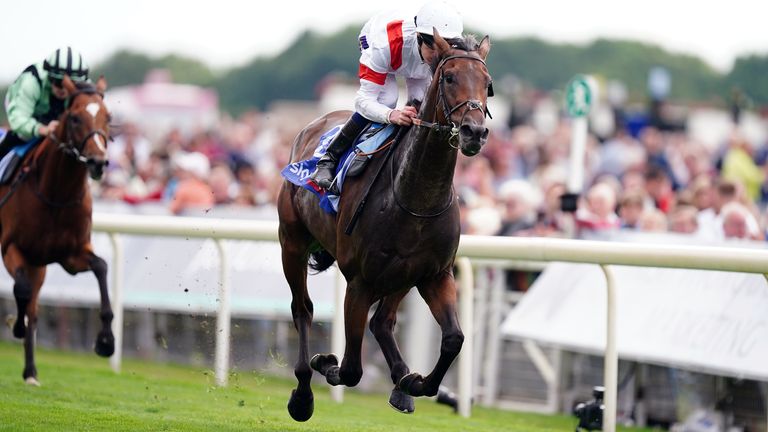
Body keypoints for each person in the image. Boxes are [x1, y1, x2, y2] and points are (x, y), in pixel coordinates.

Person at [309, 0, 465, 190]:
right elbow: (363, 101)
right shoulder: (384, 47)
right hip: (376, 39)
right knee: (387, 99)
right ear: (418, 38)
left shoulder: (448, 53)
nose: (436, 56)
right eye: (432, 48)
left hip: (409, 55)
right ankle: (329, 158)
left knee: (420, 102)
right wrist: (392, 115)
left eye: (443, 48)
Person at [0, 47, 90, 170]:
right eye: (58, 82)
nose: (63, 90)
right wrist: (41, 129)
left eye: (71, 84)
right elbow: (18, 119)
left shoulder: (85, 85)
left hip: (54, 113)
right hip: (24, 110)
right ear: (49, 76)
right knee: (23, 135)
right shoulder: (31, 82)